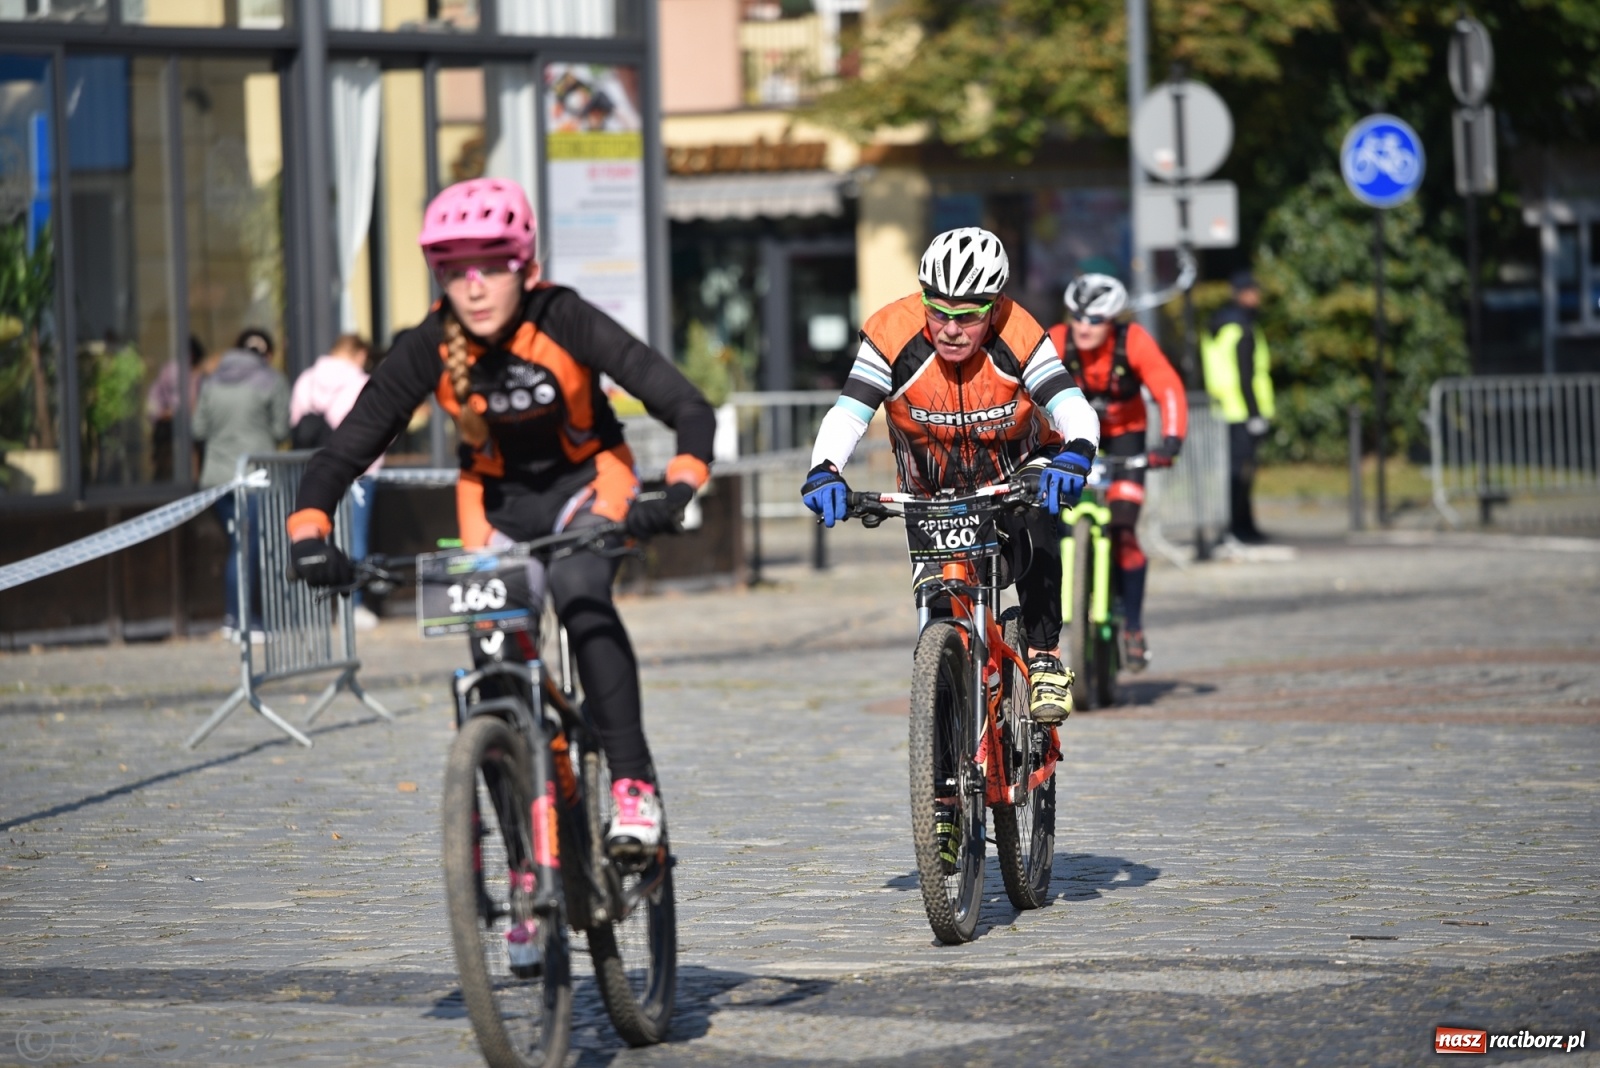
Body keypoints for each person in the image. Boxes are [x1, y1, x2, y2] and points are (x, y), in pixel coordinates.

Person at [285, 177, 715, 857]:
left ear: (528, 268)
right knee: (490, 666)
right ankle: (525, 868)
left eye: (491, 266)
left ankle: (633, 786)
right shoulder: (430, 343)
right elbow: (343, 449)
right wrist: (308, 529)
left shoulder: (564, 318)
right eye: (456, 271)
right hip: (493, 504)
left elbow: (687, 406)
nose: (475, 287)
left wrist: (680, 484)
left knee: (578, 593)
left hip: (588, 486)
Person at [800, 226, 1101, 725]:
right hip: (933, 488)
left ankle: (1045, 656)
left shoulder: (1020, 332)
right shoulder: (891, 332)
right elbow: (848, 414)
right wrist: (824, 469)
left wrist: (1077, 454)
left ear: (995, 305)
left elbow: (1071, 406)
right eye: (937, 311)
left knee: (1040, 514)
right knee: (941, 617)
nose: (950, 329)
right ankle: (945, 766)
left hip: (1018, 468)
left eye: (967, 317)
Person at [1048, 273, 1187, 671]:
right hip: (1075, 439)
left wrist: (1172, 441)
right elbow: (1025, 388)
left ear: (1112, 321)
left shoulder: (1134, 341)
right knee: (1051, 523)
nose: (1083, 327)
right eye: (1077, 317)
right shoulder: (1057, 340)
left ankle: (1134, 626)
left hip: (1127, 437)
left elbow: (1169, 389)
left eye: (1094, 320)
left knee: (1124, 529)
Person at [193, 326, 291, 642]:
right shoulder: (272, 381)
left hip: (218, 479)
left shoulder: (211, 382)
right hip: (255, 477)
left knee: (238, 546)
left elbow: (198, 428)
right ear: (266, 354)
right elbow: (281, 429)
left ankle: (235, 618)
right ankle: (244, 621)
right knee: (246, 549)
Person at [291, 333, 382, 630]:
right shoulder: (360, 381)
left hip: (313, 472)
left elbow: (294, 421)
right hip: (356, 473)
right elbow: (369, 431)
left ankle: (313, 609)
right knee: (355, 539)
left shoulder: (307, 379)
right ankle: (352, 607)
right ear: (357, 354)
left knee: (313, 542)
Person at [1203, 270, 1275, 544]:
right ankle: (1240, 528)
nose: (1256, 296)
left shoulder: (1218, 325)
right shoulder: (1242, 328)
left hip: (1224, 409)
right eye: (1252, 291)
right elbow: (1246, 376)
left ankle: (1240, 527)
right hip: (1243, 411)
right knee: (1242, 476)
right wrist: (1255, 415)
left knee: (1234, 474)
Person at [146, 335, 208, 482]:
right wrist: (162, 413)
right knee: (168, 463)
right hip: (171, 427)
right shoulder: (172, 370)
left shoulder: (200, 374)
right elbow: (153, 400)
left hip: (192, 426)